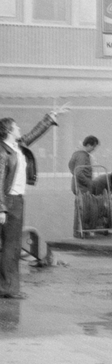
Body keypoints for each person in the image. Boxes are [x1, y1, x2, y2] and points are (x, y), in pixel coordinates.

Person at [0, 111, 58, 299]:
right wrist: (1, 208)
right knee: (10, 246)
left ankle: (7, 286)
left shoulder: (17, 147)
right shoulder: (2, 152)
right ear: (8, 130)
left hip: (17, 200)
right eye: (16, 127)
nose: (19, 129)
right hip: (9, 201)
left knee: (12, 245)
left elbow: (33, 134)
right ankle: (9, 288)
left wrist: (49, 119)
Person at [68, 135, 99, 237]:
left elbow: (72, 168)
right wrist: (88, 182)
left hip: (78, 186)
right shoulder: (83, 156)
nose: (94, 149)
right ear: (89, 145)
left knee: (80, 208)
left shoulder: (76, 154)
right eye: (94, 146)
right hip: (82, 187)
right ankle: (80, 232)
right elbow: (79, 172)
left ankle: (79, 231)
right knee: (83, 209)